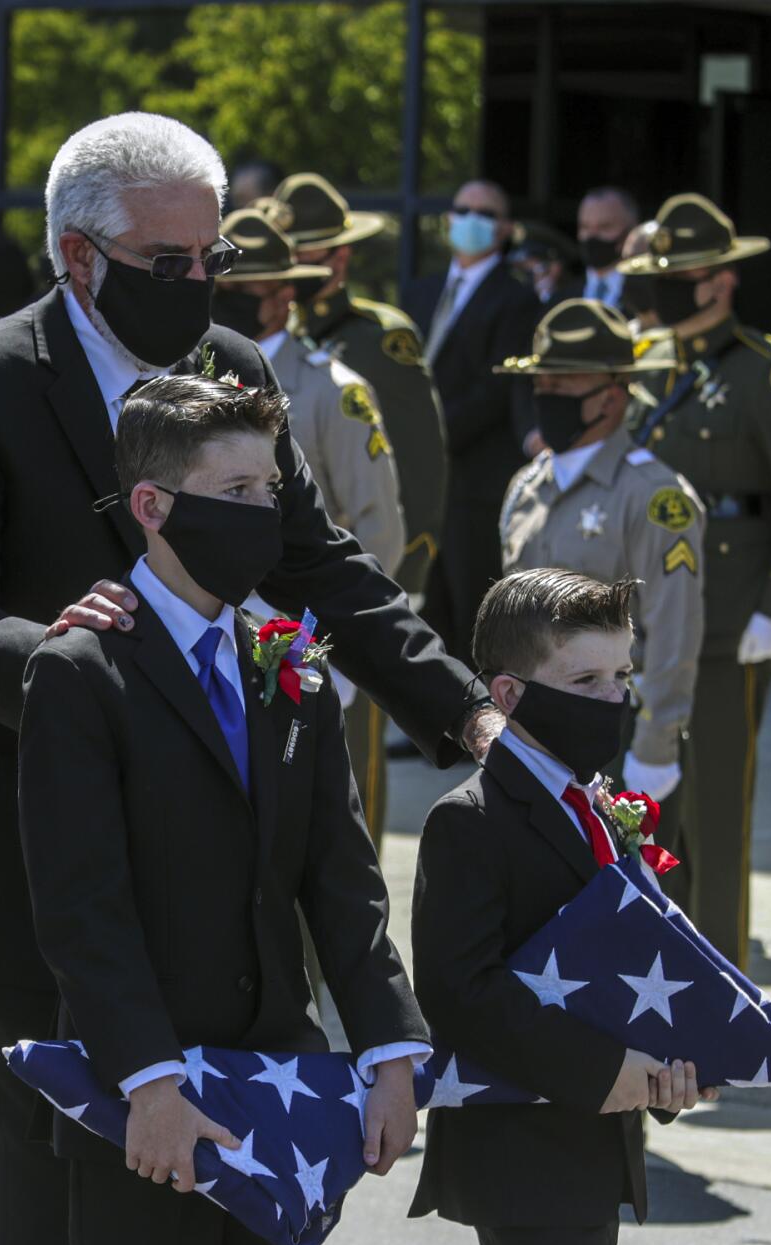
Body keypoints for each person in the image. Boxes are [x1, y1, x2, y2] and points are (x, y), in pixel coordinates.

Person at [0, 111, 486, 1245]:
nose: (197, 287)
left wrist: (466, 716)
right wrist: (55, 659)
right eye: (168, 265)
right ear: (75, 255)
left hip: (186, 876)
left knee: (162, 1201)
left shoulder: (232, 371)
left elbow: (321, 567)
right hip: (6, 867)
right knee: (43, 1209)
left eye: (210, 260)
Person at [18, 373, 426, 1245]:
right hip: (146, 1108)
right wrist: (149, 1083)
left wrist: (392, 1049)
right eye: (236, 493)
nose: (264, 513)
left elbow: (342, 878)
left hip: (279, 1095)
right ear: (154, 507)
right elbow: (83, 907)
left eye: (272, 490)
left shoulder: (293, 666)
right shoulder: (81, 671)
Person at [411, 568, 712, 1245]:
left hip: (586, 1143)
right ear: (508, 695)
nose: (613, 699)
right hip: (521, 1149)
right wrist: (608, 1071)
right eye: (585, 679)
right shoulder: (471, 820)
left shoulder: (595, 804)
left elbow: (627, 964)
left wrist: (678, 1061)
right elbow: (459, 989)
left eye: (622, 676)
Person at [615, 192, 771, 971]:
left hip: (726, 618)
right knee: (643, 815)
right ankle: (656, 978)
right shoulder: (645, 363)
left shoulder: (765, 370)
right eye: (663, 272)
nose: (671, 286)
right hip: (643, 620)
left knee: (715, 819)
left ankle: (719, 994)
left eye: (686, 273)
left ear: (722, 279)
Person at [213, 206, 405, 838]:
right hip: (217, 634)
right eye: (224, 288)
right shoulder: (186, 374)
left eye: (248, 292)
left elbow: (378, 529)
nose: (232, 301)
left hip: (305, 636)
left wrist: (331, 640)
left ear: (284, 295)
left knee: (326, 832)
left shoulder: (331, 389)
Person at [497, 300, 704, 805]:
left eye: (562, 388)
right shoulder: (526, 487)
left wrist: (655, 746)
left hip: (613, 733)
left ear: (611, 398)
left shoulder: (654, 495)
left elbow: (673, 632)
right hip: (530, 733)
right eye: (541, 386)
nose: (546, 398)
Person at [276, 169, 448, 598]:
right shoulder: (277, 331)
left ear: (340, 258)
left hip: (368, 569)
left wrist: (407, 567)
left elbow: (418, 462)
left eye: (306, 258)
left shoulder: (382, 340)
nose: (293, 272)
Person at [402, 178, 540, 666]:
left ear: (505, 228)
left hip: (473, 480)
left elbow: (497, 388)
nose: (470, 219)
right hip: (423, 479)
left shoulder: (517, 299)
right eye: (462, 209)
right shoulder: (420, 291)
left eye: (485, 212)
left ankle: (478, 719)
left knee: (473, 604)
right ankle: (436, 723)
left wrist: (430, 434)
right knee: (426, 599)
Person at [575, 185, 639, 308]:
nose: (592, 236)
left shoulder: (651, 299)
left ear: (632, 231)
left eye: (604, 227)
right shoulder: (560, 299)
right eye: (585, 227)